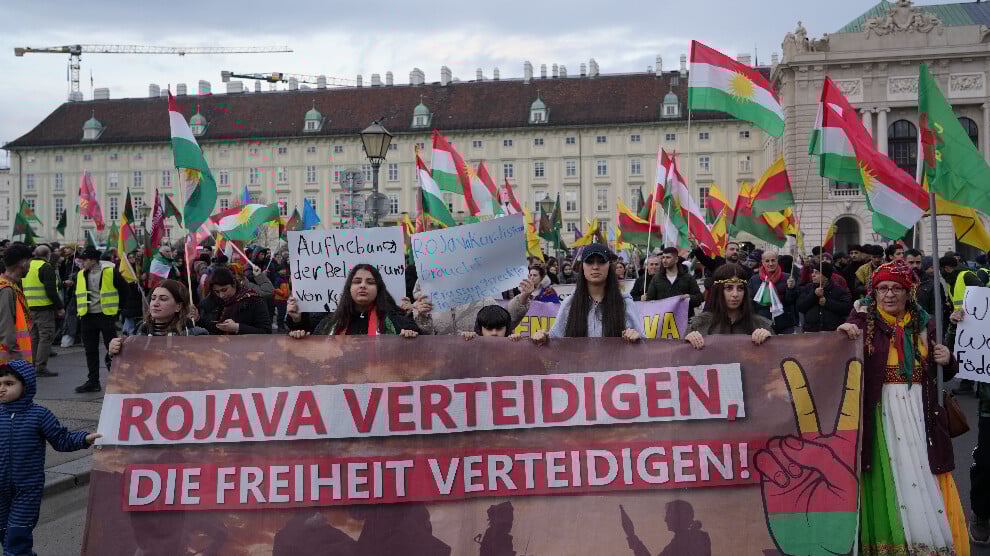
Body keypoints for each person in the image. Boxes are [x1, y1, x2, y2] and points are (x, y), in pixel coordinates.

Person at [836, 261, 968, 554]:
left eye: (897, 288)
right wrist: (843, 332)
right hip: (881, 413)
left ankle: (927, 543)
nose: (889, 294)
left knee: (923, 473)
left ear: (909, 293)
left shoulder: (926, 324)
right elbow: (840, 357)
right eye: (882, 288)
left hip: (921, 413)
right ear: (874, 292)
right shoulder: (862, 322)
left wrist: (948, 359)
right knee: (889, 475)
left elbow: (944, 373)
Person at [0, 360, 100, 555]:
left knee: (16, 538)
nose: (2, 388)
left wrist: (84, 438)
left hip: (27, 490)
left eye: (9, 383)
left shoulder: (39, 415)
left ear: (26, 385)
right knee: (6, 536)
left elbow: (61, 440)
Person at [530, 244, 643, 344]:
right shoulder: (569, 304)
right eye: (589, 261)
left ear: (609, 266)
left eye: (601, 261)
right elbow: (555, 340)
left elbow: (644, 346)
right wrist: (544, 338)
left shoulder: (625, 304)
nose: (595, 267)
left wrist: (636, 337)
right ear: (582, 266)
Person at [287, 264, 420, 337]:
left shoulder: (396, 322)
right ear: (349, 288)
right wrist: (298, 330)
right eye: (357, 281)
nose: (363, 286)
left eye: (370, 282)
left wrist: (410, 335)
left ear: (378, 289)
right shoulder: (329, 323)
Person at [107, 280, 207, 363]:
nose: (155, 303)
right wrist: (112, 353)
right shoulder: (138, 331)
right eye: (153, 298)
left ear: (178, 306)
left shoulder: (195, 335)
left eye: (163, 299)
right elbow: (123, 373)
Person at [74, 247, 129, 393]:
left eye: (85, 260)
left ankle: (118, 380)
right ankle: (93, 381)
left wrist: (119, 309)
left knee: (113, 349)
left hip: (105, 315)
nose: (82, 262)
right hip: (87, 316)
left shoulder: (110, 272)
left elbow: (125, 289)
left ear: (93, 260)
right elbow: (77, 293)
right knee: (90, 350)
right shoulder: (81, 274)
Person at [684, 263, 773, 349]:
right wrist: (688, 340)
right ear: (718, 291)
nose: (735, 294)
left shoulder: (760, 324)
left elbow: (775, 354)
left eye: (740, 288)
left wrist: (770, 340)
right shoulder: (699, 324)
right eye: (729, 288)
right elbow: (682, 355)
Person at [409, 277, 533, 336]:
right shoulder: (423, 304)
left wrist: (523, 298)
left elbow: (503, 321)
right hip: (439, 364)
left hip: (475, 362)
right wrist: (422, 317)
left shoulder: (481, 299)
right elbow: (421, 339)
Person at [22, 245, 63, 377]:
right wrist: (60, 307)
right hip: (44, 308)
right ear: (47, 255)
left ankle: (32, 364)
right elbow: (50, 291)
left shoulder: (27, 265)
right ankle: (40, 367)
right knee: (46, 337)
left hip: (29, 307)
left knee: (34, 337)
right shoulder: (46, 267)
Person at [198, 267, 272, 335]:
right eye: (217, 291)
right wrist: (198, 319)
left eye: (224, 290)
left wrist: (237, 327)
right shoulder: (212, 301)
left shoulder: (253, 300)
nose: (221, 295)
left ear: (234, 284)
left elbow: (266, 331)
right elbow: (210, 327)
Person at [747, 250, 798, 334]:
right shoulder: (754, 279)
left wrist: (791, 289)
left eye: (773, 260)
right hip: (762, 324)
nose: (770, 264)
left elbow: (791, 301)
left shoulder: (788, 278)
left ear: (777, 261)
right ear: (762, 262)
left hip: (784, 324)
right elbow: (750, 302)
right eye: (767, 261)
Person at [0, 244, 34, 366]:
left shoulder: (10, 286)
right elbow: (6, 329)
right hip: (9, 362)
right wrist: (18, 359)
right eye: (29, 263)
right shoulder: (6, 290)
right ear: (23, 264)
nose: (30, 267)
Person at [796, 262, 852, 332]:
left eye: (817, 273)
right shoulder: (808, 288)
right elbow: (800, 306)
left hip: (832, 332)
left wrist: (827, 302)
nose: (813, 275)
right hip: (810, 331)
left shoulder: (838, 290)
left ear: (826, 277)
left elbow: (846, 308)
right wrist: (814, 295)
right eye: (813, 272)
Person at [646, 247, 703, 313]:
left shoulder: (688, 278)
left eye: (668, 257)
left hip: (684, 317)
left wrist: (690, 298)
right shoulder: (656, 278)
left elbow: (699, 298)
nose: (664, 260)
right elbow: (650, 301)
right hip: (663, 317)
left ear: (676, 259)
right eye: (663, 257)